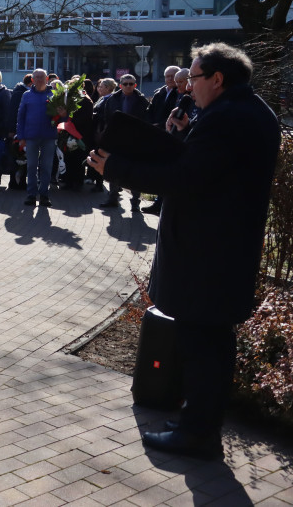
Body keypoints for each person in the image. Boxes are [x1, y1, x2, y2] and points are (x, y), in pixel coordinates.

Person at [88, 43, 280, 460]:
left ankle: (198, 435)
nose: (188, 87)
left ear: (217, 79)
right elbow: (209, 169)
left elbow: (189, 180)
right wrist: (176, 138)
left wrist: (115, 169)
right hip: (222, 250)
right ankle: (198, 424)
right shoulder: (248, 110)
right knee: (211, 342)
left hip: (208, 254)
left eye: (193, 78)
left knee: (203, 345)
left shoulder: (227, 118)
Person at [99, 74, 149, 210]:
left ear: (135, 85)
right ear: (120, 85)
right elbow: (107, 118)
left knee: (135, 171)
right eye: (125, 84)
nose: (128, 86)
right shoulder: (112, 99)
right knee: (114, 168)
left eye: (131, 84)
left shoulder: (142, 101)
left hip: (134, 141)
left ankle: (135, 202)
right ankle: (112, 198)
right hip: (116, 139)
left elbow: (146, 121)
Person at [142, 65, 181, 214]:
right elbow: (149, 111)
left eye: (173, 76)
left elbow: (174, 116)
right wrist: (150, 124)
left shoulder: (180, 94)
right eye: (167, 76)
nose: (170, 79)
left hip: (169, 134)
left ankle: (163, 204)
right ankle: (158, 203)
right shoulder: (160, 92)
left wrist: (160, 124)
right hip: (156, 133)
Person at [15, 69, 57, 207]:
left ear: (47, 79)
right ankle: (31, 195)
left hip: (49, 136)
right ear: (32, 80)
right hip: (31, 136)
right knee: (31, 166)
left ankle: (44, 195)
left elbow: (63, 117)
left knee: (46, 167)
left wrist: (63, 114)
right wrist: (21, 136)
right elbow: (20, 117)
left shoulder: (54, 95)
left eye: (42, 77)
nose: (39, 79)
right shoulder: (26, 95)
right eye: (37, 77)